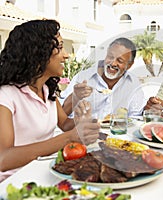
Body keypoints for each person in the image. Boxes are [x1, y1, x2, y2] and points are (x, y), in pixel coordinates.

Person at [0, 19, 100, 182]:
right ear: (38, 53)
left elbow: (64, 124)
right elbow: (3, 159)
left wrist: (82, 120)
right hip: (14, 181)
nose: (66, 55)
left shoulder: (46, 89)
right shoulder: (6, 95)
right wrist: (69, 138)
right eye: (59, 47)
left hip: (45, 173)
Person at [61, 37, 144, 119]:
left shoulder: (133, 83)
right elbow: (61, 115)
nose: (113, 63)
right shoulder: (82, 77)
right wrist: (75, 97)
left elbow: (135, 118)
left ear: (129, 65)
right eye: (110, 57)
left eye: (120, 61)